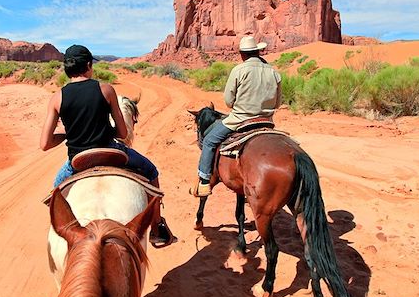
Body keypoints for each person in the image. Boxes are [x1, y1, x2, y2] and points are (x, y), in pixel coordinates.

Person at [40, 44, 173, 246]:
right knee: (151, 171)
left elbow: (45, 144)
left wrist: (69, 133)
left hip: (77, 160)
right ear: (88, 65)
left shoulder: (57, 98)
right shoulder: (105, 89)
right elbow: (123, 133)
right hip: (111, 151)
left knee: (54, 194)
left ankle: (61, 232)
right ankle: (156, 228)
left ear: (67, 68)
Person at [190, 36, 282, 197]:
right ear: (258, 51)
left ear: (242, 54)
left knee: (210, 140)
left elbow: (228, 101)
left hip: (240, 120)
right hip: (267, 121)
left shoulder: (239, 70)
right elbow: (278, 102)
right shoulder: (274, 72)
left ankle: (204, 181)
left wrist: (242, 106)